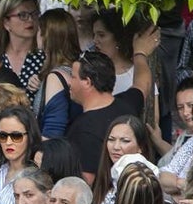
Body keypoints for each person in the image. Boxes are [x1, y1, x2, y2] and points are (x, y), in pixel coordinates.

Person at [66, 47, 155, 180]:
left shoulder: (83, 130)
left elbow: (86, 181)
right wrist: (140, 52)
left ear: (87, 82)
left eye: (73, 77)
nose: (69, 82)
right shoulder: (127, 102)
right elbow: (143, 82)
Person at [92, 116, 157, 204]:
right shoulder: (105, 174)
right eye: (111, 139)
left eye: (125, 141)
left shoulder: (145, 181)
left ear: (140, 147)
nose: (116, 147)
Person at [34, 8, 83, 137]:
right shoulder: (75, 70)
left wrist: (41, 155)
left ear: (47, 36)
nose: (36, 34)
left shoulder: (56, 77)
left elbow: (53, 127)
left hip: (55, 151)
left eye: (39, 30)